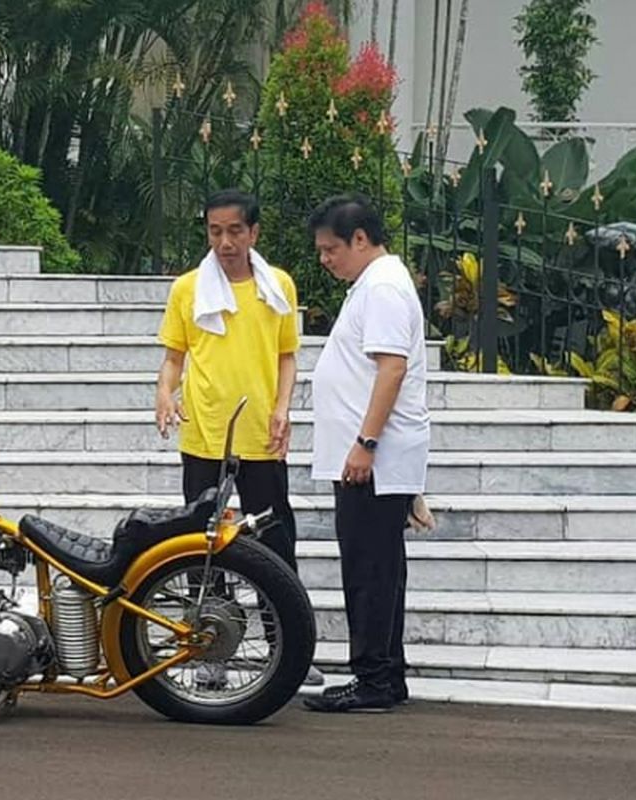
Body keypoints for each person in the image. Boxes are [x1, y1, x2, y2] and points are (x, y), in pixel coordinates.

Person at [155, 189, 324, 688]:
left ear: (254, 233)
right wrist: (165, 394)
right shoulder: (188, 289)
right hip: (205, 434)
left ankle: (287, 648)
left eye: (234, 231)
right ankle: (212, 650)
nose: (224, 242)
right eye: (214, 231)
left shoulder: (279, 288)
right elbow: (173, 358)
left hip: (260, 437)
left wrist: (283, 408)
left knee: (275, 546)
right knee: (203, 547)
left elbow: (287, 356)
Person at [301, 194, 430, 713]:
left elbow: (392, 368)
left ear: (360, 239)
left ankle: (373, 678)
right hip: (371, 458)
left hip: (371, 460)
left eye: (331, 248)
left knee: (369, 570)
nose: (325, 259)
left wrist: (366, 442)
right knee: (378, 568)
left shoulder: (382, 288)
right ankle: (385, 674)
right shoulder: (374, 285)